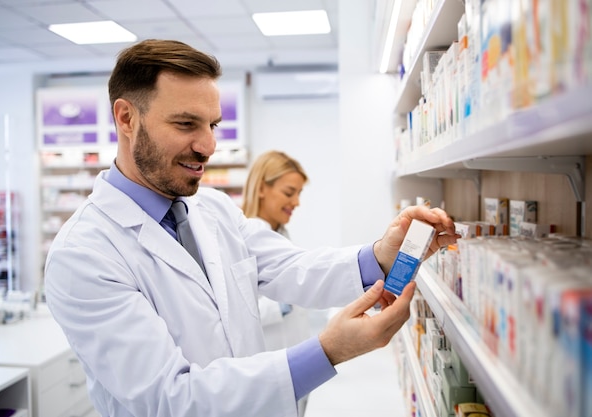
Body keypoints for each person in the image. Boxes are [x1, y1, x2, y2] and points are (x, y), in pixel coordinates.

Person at [44, 39, 459, 417]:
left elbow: (292, 268)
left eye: (213, 125)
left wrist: (382, 253)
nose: (208, 146)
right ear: (126, 118)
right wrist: (328, 350)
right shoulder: (83, 254)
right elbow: (169, 400)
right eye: (186, 124)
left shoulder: (212, 208)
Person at [241, 150, 312, 416]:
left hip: (294, 361)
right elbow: (236, 310)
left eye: (299, 194)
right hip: (266, 365)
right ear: (262, 188)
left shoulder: (281, 233)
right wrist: (283, 304)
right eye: (289, 192)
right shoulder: (242, 238)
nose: (296, 202)